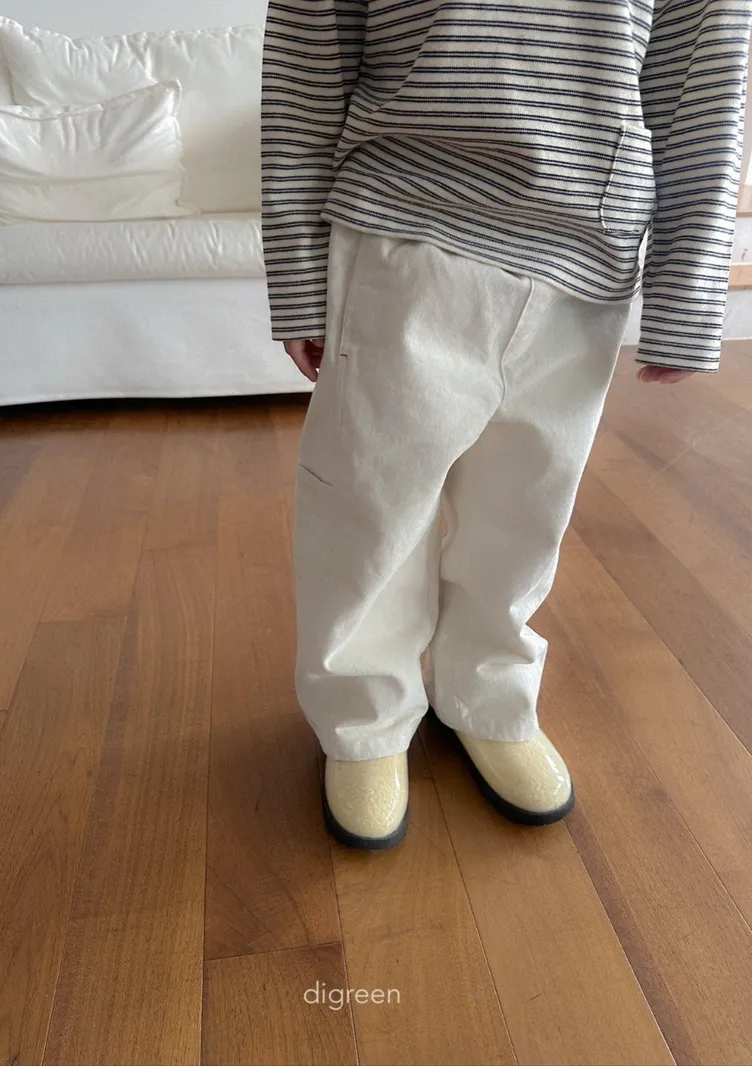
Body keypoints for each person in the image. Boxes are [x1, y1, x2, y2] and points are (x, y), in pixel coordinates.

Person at [261, 0, 752, 849]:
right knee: (370, 506)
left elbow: (703, 72)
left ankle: (486, 694)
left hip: (587, 253)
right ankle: (364, 719)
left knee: (525, 510)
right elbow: (309, 60)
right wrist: (300, 273)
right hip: (408, 219)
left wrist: (690, 284)